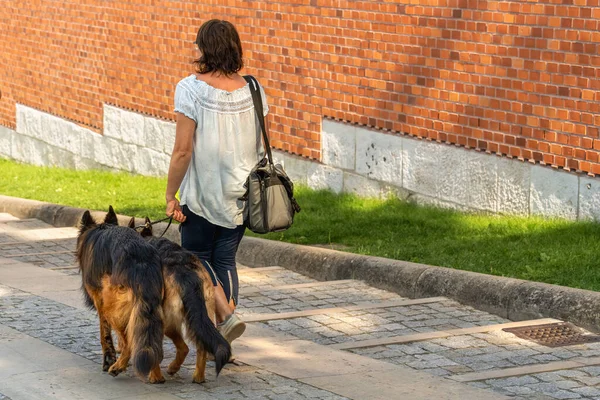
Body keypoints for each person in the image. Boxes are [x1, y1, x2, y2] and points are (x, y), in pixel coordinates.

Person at [165, 19, 268, 347]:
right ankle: (226, 328)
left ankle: (223, 316)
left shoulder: (190, 88)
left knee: (194, 258)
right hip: (242, 194)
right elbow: (264, 146)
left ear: (204, 49)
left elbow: (182, 150)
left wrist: (171, 194)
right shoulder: (253, 88)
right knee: (224, 261)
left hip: (204, 193)